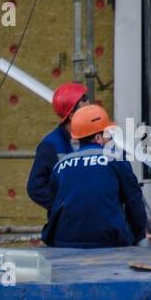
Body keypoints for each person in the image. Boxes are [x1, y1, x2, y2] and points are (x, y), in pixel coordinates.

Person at [41, 104, 149, 249]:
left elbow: (54, 207)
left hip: (64, 243)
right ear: (98, 138)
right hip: (109, 243)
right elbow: (134, 201)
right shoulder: (115, 159)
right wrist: (139, 237)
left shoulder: (61, 165)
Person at [27, 82, 87, 210]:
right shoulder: (51, 146)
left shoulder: (97, 138)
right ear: (72, 115)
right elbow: (35, 187)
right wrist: (64, 205)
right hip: (68, 224)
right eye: (84, 102)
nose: (90, 106)